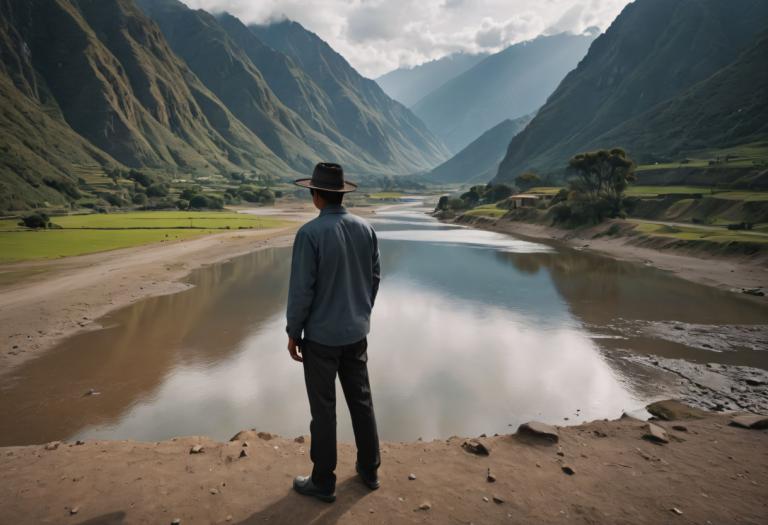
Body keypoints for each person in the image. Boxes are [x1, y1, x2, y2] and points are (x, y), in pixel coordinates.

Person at [286, 162, 381, 503]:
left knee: (323, 411)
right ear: (340, 194)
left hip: (322, 340)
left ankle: (323, 481)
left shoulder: (309, 234)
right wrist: (360, 312)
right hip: (356, 333)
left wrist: (293, 332)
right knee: (362, 402)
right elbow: (374, 278)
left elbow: (302, 291)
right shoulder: (365, 229)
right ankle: (369, 470)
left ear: (316, 195)